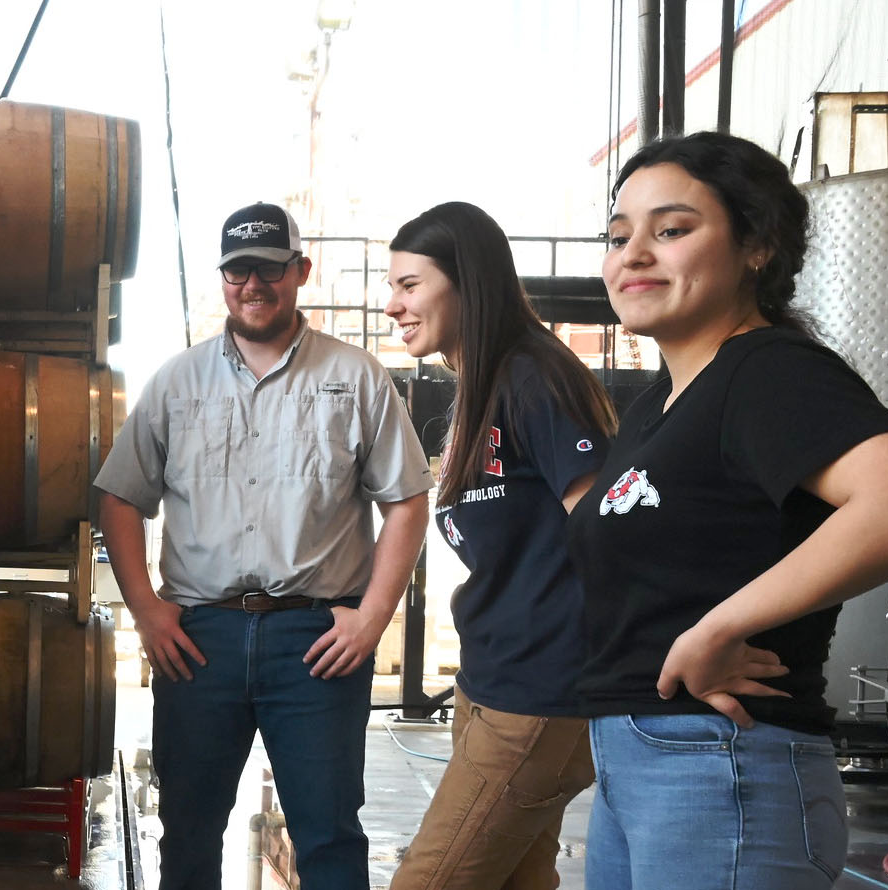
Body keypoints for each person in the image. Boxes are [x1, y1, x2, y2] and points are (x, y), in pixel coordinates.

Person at [566, 131, 888, 889]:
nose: (634, 253)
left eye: (671, 230)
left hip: (720, 761)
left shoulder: (765, 372)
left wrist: (719, 627)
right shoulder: (658, 406)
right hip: (638, 761)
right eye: (618, 235)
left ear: (757, 246)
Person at [97, 202, 431, 890]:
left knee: (330, 836)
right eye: (238, 270)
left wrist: (371, 619)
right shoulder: (176, 382)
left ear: (299, 271)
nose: (253, 284)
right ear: (223, 279)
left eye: (270, 269)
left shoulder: (357, 377)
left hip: (316, 640)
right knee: (187, 833)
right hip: (200, 639)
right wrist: (147, 611)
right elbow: (119, 498)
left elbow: (406, 500)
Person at [380, 202, 616, 890]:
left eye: (410, 285)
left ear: (468, 282)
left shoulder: (533, 376)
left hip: (541, 691)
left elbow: (609, 526)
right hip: (491, 684)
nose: (392, 304)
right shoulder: (479, 390)